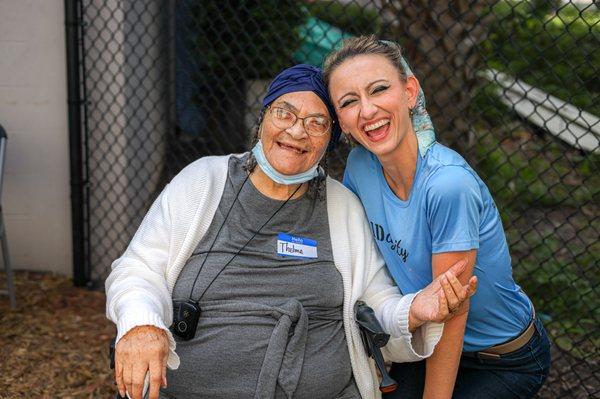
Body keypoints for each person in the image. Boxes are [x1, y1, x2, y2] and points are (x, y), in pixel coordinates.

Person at [105, 64, 477, 399]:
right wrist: (140, 325)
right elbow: (138, 269)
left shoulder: (342, 207)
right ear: (264, 117)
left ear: (330, 140)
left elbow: (375, 306)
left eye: (317, 123)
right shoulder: (203, 180)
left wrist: (416, 310)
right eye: (285, 113)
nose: (297, 131)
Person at [323, 36, 551, 399]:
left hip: (501, 357)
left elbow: (454, 311)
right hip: (423, 340)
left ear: (410, 92)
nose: (367, 111)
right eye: (349, 102)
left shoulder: (448, 185)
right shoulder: (359, 168)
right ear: (341, 122)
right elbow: (362, 263)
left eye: (379, 90)